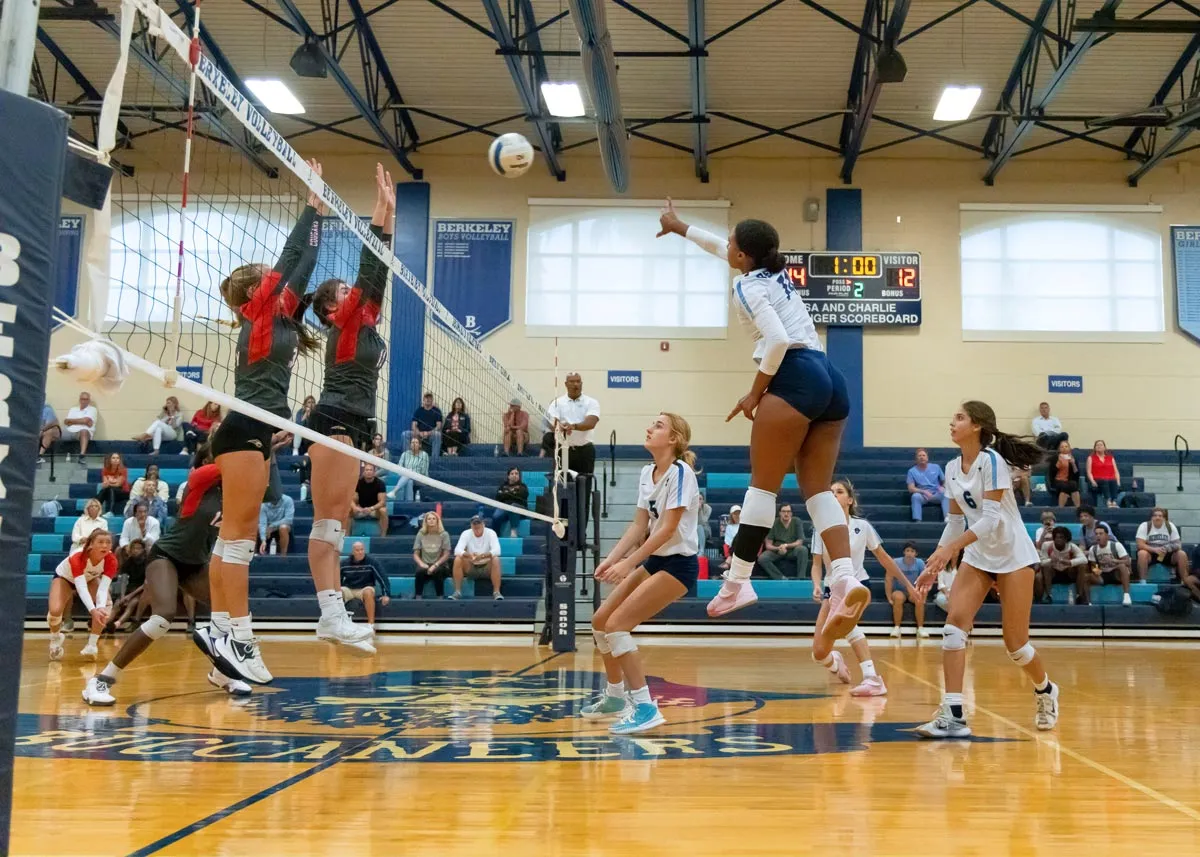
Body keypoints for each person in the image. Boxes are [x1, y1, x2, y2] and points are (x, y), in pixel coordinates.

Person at [657, 200, 854, 625]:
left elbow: (778, 340)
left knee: (763, 489)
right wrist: (679, 227)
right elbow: (720, 247)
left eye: (731, 242)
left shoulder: (747, 287)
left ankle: (739, 580)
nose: (725, 245)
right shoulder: (771, 271)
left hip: (795, 374)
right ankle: (845, 577)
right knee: (818, 490)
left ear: (743, 255)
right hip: (832, 378)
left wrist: (753, 393)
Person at [193, 158, 326, 687]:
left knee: (234, 537)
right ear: (255, 294)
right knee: (241, 539)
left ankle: (222, 633)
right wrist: (312, 205)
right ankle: (238, 634)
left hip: (250, 430)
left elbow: (304, 263)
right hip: (244, 428)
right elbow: (292, 256)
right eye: (264, 278)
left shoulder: (276, 315)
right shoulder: (261, 313)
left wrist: (319, 215)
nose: (274, 280)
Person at [914, 400, 1059, 738]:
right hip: (979, 556)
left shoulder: (991, 461)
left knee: (1016, 645)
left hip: (1013, 556)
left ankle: (1046, 690)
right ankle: (953, 715)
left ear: (977, 426)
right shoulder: (950, 468)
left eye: (959, 417)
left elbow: (992, 521)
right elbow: (953, 522)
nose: (952, 422)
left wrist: (953, 548)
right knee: (953, 630)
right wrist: (935, 562)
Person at [301, 162, 395, 656]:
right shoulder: (345, 324)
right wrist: (380, 216)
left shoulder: (361, 323)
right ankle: (331, 615)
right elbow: (370, 266)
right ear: (331, 309)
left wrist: (388, 213)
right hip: (335, 419)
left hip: (355, 425)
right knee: (329, 523)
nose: (351, 292)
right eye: (342, 292)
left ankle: (332, 615)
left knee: (337, 521)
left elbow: (376, 271)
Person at [84, 459, 251, 705]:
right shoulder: (199, 484)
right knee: (162, 618)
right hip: (166, 556)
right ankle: (100, 681)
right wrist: (245, 452)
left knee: (235, 613)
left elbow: (266, 482)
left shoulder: (239, 492)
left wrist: (269, 451)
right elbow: (228, 464)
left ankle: (222, 673)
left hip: (195, 564)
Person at [583, 413, 701, 734]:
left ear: (673, 439)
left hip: (678, 565)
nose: (649, 428)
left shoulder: (681, 473)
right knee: (600, 622)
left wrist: (628, 563)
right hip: (654, 561)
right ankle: (616, 696)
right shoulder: (647, 471)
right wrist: (612, 559)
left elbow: (666, 530)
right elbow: (639, 525)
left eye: (658, 426)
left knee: (618, 627)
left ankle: (646, 707)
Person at [810, 479, 920, 697]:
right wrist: (816, 584)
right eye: (830, 492)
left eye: (839, 492)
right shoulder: (820, 528)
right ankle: (836, 663)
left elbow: (885, 558)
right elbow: (816, 564)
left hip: (857, 584)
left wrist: (908, 584)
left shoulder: (862, 526)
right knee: (819, 652)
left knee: (849, 626)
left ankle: (872, 678)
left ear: (849, 500)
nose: (833, 495)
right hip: (832, 588)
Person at [48, 529, 116, 661]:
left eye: (108, 542)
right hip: (65, 578)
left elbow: (103, 588)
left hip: (89, 579)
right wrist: (92, 610)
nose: (105, 546)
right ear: (90, 544)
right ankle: (56, 638)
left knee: (105, 608)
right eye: (100, 542)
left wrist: (99, 608)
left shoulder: (111, 560)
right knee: (55, 611)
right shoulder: (78, 556)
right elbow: (81, 588)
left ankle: (92, 645)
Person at [542, 373, 601, 476]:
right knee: (563, 486)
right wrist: (560, 427)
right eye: (572, 382)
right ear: (566, 384)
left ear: (582, 384)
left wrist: (573, 426)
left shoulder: (591, 402)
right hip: (563, 450)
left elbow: (591, 423)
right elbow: (551, 422)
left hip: (585, 451)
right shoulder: (557, 402)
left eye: (578, 381)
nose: (576, 384)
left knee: (584, 485)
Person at [451, 516, 503, 600]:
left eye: (478, 523)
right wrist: (469, 555)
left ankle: (496, 592)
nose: (476, 525)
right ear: (471, 525)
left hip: (487, 566)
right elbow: (457, 550)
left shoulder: (491, 533)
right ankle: (457, 591)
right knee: (458, 559)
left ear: (483, 524)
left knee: (496, 559)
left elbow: (497, 550)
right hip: (471, 565)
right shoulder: (466, 533)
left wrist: (482, 556)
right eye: (474, 523)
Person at [340, 541, 390, 629]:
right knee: (338, 593)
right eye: (357, 550)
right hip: (349, 588)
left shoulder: (372, 562)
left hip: (365, 588)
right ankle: (338, 624)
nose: (360, 552)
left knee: (368, 593)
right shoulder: (344, 563)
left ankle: (371, 625)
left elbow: (382, 578)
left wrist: (385, 595)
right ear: (352, 552)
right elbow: (337, 579)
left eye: (362, 549)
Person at [1135, 507, 1188, 583]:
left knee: (1182, 554)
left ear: (1164, 518)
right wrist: (1155, 550)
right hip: (1150, 553)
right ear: (1151, 517)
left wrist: (1168, 548)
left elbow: (1178, 544)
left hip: (1166, 553)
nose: (1157, 517)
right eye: (1155, 515)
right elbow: (1139, 544)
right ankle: (1143, 581)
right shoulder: (1144, 526)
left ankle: (1185, 581)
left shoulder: (1170, 526)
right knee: (1142, 553)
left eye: (1160, 516)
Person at [755, 503, 808, 579]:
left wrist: (786, 545)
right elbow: (768, 545)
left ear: (791, 513)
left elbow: (800, 541)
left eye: (788, 511)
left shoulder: (796, 521)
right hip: (777, 550)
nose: (786, 514)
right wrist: (778, 548)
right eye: (783, 511)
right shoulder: (774, 522)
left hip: (792, 550)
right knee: (762, 558)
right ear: (779, 513)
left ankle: (801, 578)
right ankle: (780, 577)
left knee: (803, 549)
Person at [1038, 526, 1089, 604]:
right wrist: (1051, 561)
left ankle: (1079, 596)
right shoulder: (1047, 545)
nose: (1058, 539)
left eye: (1061, 537)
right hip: (1053, 573)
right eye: (1056, 537)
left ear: (1066, 539)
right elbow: (1041, 562)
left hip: (1068, 572)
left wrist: (1070, 562)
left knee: (1082, 566)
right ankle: (1048, 596)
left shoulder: (1072, 546)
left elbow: (1084, 560)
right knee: (1046, 566)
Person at [889, 541, 928, 637]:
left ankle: (920, 628)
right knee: (898, 598)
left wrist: (924, 596)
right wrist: (889, 596)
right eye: (908, 550)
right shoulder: (896, 562)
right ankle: (897, 628)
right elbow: (888, 579)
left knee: (919, 598)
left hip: (913, 591)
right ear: (904, 552)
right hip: (899, 590)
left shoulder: (919, 563)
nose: (909, 553)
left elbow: (925, 581)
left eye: (912, 551)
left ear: (916, 553)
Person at [1087, 525, 1132, 606]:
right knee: (1086, 576)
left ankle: (1126, 595)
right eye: (1096, 534)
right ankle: (1088, 602)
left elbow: (1128, 562)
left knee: (1122, 566)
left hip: (1116, 573)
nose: (1098, 536)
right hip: (1103, 573)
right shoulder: (1093, 549)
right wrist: (1098, 572)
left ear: (1107, 536)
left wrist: (1114, 560)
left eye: (1101, 533)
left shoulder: (1116, 545)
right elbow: (1093, 566)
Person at [413, 511, 452, 598]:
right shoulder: (420, 534)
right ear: (425, 521)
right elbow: (416, 554)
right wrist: (421, 564)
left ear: (438, 521)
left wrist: (435, 565)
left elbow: (446, 554)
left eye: (434, 519)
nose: (431, 520)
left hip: (440, 564)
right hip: (425, 563)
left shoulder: (444, 534)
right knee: (419, 571)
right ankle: (418, 597)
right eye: (429, 519)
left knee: (437, 571)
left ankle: (440, 597)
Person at [907, 448, 949, 522]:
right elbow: (911, 488)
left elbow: (944, 481)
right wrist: (923, 492)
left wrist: (943, 487)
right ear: (916, 459)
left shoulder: (936, 467)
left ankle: (947, 518)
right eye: (919, 456)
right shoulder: (911, 471)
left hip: (936, 493)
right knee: (915, 496)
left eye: (923, 455)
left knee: (946, 493)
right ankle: (918, 520)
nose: (922, 457)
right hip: (923, 495)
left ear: (927, 457)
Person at [352, 463, 389, 537]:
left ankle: (383, 536)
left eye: (371, 470)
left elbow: (382, 502)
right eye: (367, 470)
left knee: (383, 510)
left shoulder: (380, 483)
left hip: (374, 510)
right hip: (361, 509)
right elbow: (351, 499)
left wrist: (371, 508)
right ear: (364, 472)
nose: (369, 472)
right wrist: (355, 507)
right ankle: (346, 536)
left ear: (374, 472)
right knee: (349, 509)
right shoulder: (358, 483)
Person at [490, 467, 529, 538]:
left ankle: (513, 531)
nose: (514, 475)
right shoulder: (503, 486)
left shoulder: (523, 486)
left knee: (513, 506)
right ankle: (495, 535)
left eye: (516, 473)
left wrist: (506, 493)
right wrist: (513, 492)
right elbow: (498, 497)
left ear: (519, 476)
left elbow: (522, 495)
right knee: (495, 516)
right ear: (508, 476)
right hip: (504, 508)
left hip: (520, 510)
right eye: (512, 473)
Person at [402, 392, 443, 458]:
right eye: (426, 398)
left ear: (432, 400)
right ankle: (407, 457)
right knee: (405, 434)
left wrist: (428, 433)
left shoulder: (437, 411)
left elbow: (438, 426)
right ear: (423, 400)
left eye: (430, 398)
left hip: (431, 435)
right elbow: (413, 426)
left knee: (437, 435)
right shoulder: (418, 411)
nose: (428, 399)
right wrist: (420, 433)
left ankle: (435, 459)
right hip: (419, 434)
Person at [389, 436, 428, 502]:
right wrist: (407, 473)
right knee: (409, 481)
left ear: (420, 445)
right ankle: (409, 503)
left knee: (408, 474)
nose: (414, 444)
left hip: (421, 478)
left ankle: (394, 491)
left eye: (416, 442)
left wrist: (410, 472)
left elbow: (423, 471)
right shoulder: (405, 454)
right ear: (410, 445)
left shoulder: (424, 455)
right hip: (406, 476)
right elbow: (399, 467)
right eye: (412, 442)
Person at [63, 391, 98, 462]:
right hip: (71, 431)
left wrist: (72, 421)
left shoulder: (92, 409)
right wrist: (82, 421)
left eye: (86, 399)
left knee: (84, 431)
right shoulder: (73, 409)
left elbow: (85, 421)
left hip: (84, 432)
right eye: (82, 399)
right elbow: (66, 421)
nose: (84, 401)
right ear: (79, 400)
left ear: (89, 400)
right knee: (59, 431)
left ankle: (82, 456)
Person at [1086, 441, 1121, 509]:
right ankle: (1108, 501)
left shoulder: (1111, 458)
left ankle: (1114, 502)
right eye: (1097, 445)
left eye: (1101, 445)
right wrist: (1092, 481)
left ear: (1104, 447)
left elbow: (1116, 471)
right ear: (1095, 448)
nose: (1099, 446)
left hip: (1110, 479)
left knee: (1113, 481)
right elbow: (1089, 472)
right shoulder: (1091, 458)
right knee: (1104, 481)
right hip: (1097, 480)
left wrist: (1118, 481)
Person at [1049, 440, 1081, 507]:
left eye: (1066, 446)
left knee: (1074, 484)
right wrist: (1059, 463)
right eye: (1062, 447)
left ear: (1069, 448)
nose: (1064, 448)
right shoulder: (1055, 458)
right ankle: (1061, 507)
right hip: (1057, 480)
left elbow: (1077, 474)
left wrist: (1073, 464)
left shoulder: (1073, 458)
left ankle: (1078, 507)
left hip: (1069, 480)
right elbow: (1051, 472)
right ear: (1059, 449)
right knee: (1064, 485)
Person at [719, 505, 741, 571]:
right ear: (731, 516)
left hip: (744, 547)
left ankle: (728, 562)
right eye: (735, 514)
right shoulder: (729, 527)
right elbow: (727, 542)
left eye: (739, 513)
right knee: (736, 541)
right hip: (734, 548)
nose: (737, 516)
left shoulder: (745, 525)